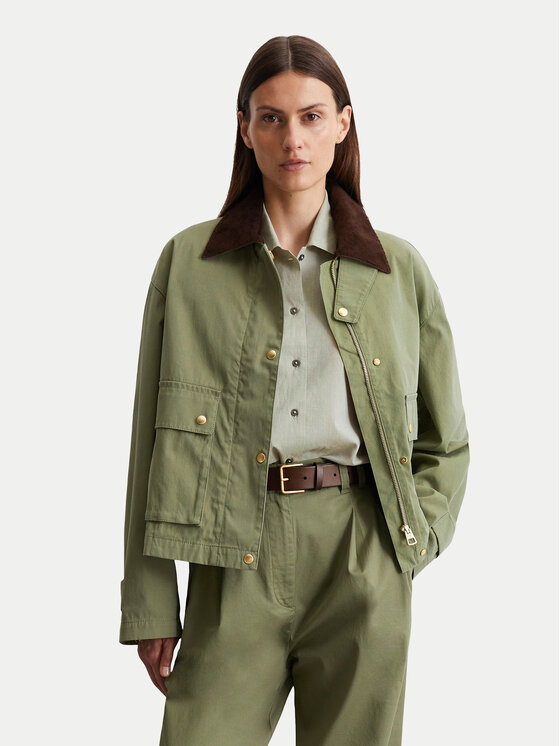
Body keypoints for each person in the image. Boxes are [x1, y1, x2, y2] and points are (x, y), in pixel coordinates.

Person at [119, 34, 470, 746]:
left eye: (311, 116)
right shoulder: (188, 264)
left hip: (360, 548)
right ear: (244, 129)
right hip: (231, 550)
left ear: (343, 124)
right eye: (271, 118)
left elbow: (447, 439)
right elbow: (148, 443)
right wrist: (151, 601)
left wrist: (409, 541)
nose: (292, 139)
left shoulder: (398, 270)